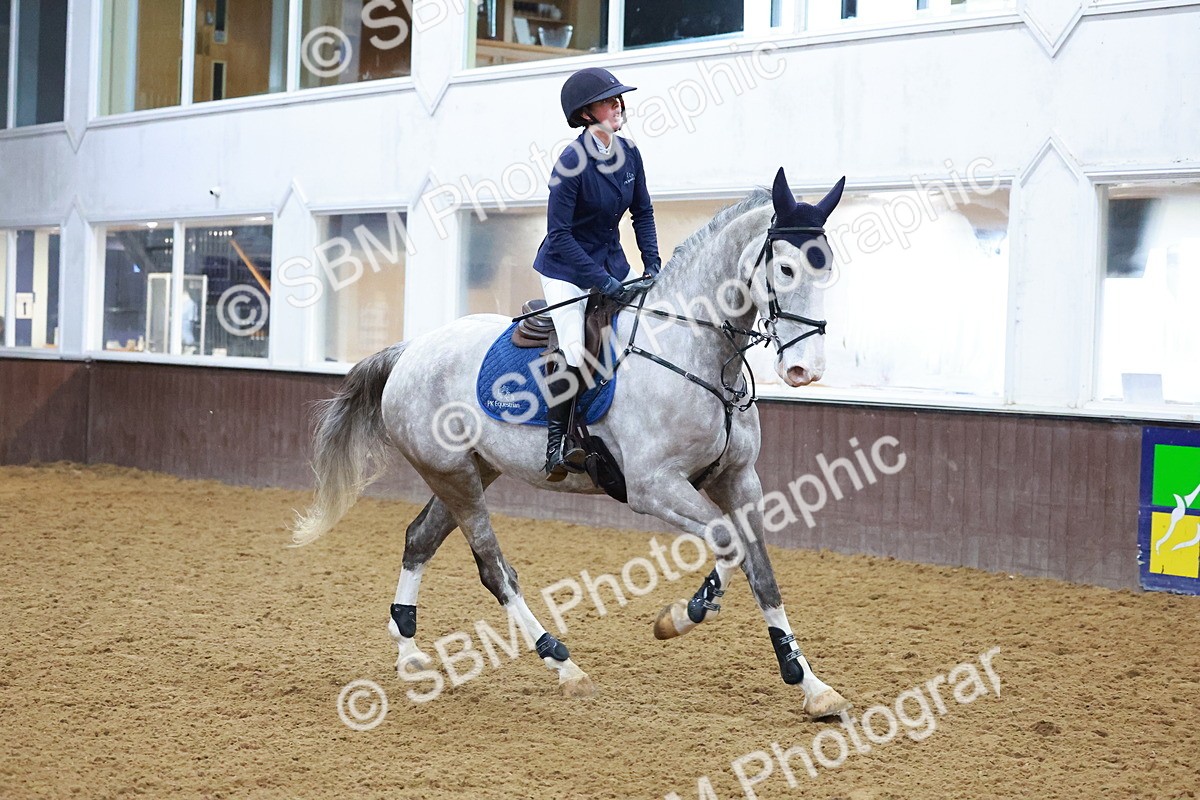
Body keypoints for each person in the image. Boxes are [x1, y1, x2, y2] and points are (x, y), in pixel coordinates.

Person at [532, 67, 661, 482]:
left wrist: (652, 262)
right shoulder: (570, 161)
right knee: (574, 348)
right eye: (609, 100)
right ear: (587, 113)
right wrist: (598, 281)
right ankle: (557, 445)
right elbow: (559, 235)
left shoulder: (630, 153)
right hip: (566, 270)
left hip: (611, 266)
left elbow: (642, 212)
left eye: (619, 99)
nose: (618, 104)